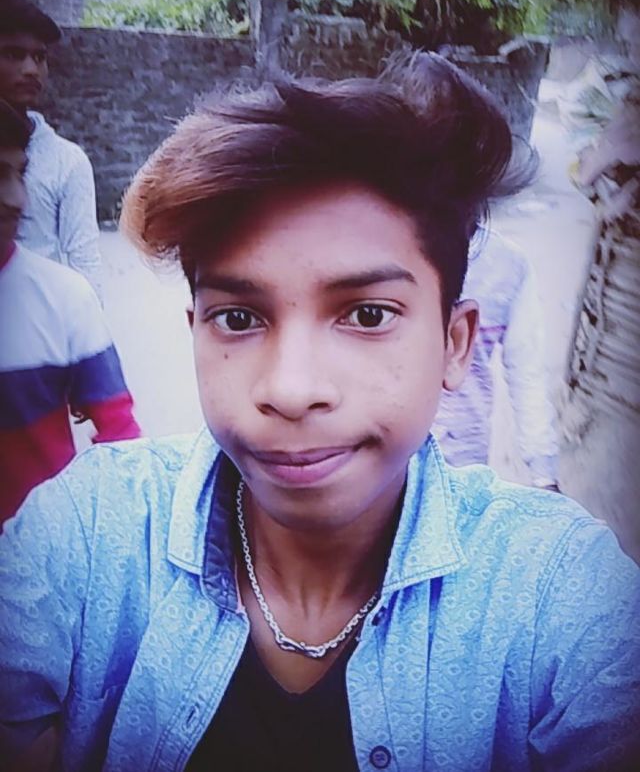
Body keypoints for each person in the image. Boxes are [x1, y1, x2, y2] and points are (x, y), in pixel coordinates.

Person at [0, 55, 638, 772]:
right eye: (238, 318)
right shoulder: (87, 532)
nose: (292, 389)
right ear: (195, 331)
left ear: (455, 343)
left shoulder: (557, 591)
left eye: (367, 314)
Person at [0, 100, 141, 524]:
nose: (16, 198)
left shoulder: (64, 297)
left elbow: (121, 439)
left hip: (42, 547)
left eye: (20, 174)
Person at [432, 224, 561, 490]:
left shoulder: (508, 266)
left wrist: (543, 473)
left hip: (464, 458)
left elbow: (526, 374)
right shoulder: (389, 245)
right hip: (394, 456)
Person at [0, 0, 103, 300]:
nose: (31, 69)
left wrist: (86, 322)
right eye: (13, 54)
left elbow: (84, 262)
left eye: (39, 57)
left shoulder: (66, 160)